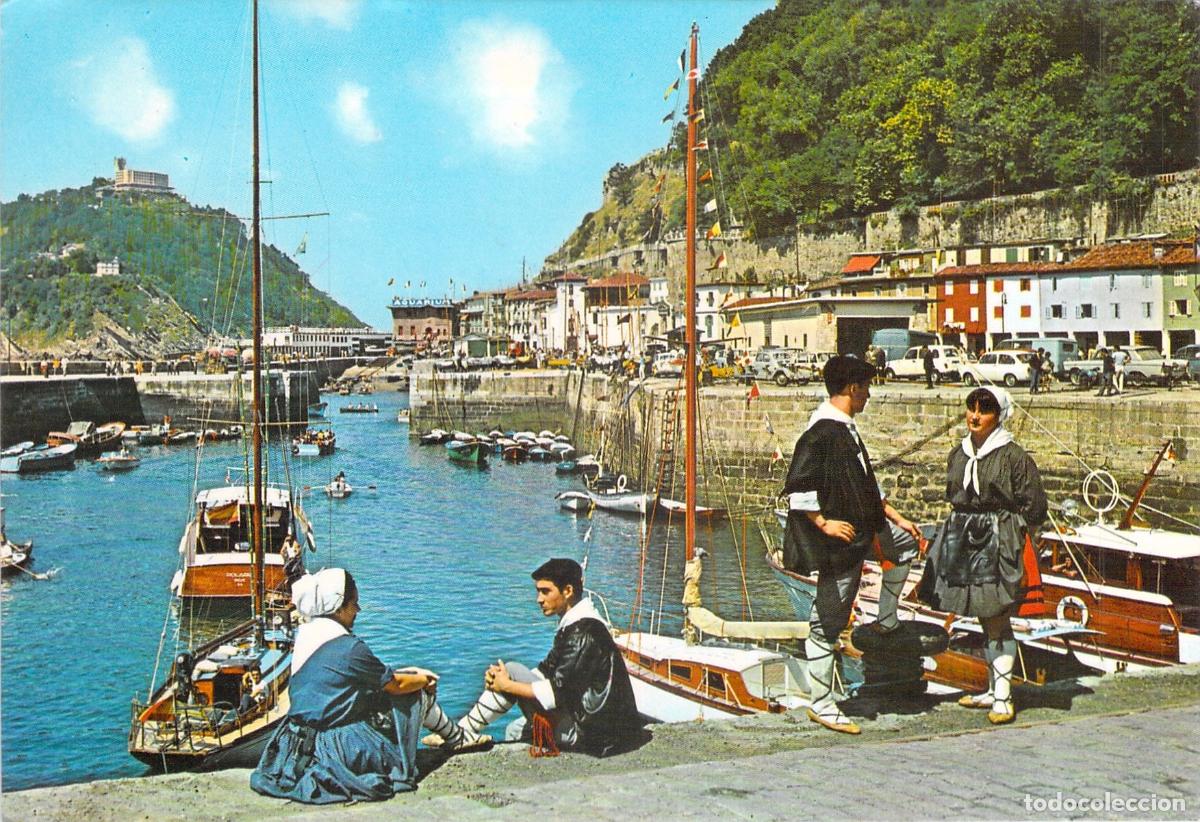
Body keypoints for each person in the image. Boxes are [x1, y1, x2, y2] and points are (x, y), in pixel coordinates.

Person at [251, 568, 489, 805]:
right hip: (333, 746)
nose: (358, 610)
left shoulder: (306, 635)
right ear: (338, 607)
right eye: (354, 603)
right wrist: (425, 679)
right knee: (414, 694)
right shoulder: (350, 648)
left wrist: (412, 675)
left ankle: (454, 736)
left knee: (395, 686)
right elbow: (395, 684)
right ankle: (456, 738)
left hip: (293, 743)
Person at [780, 355, 922, 735]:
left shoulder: (843, 428)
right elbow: (798, 490)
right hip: (841, 543)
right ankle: (823, 704)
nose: (870, 395)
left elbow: (865, 484)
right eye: (867, 387)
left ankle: (886, 619)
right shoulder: (822, 432)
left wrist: (895, 517)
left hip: (866, 529)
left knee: (906, 546)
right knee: (827, 622)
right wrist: (824, 523)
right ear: (852, 388)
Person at [924, 387, 1047, 726]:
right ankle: (993, 690)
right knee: (983, 615)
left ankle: (1004, 697)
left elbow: (1034, 507)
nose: (975, 416)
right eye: (971, 408)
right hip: (966, 538)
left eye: (984, 410)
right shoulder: (959, 453)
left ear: (999, 415)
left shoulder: (1012, 456)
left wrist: (1013, 536)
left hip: (998, 539)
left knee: (996, 616)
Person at [445, 558, 644, 756]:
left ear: (567, 591)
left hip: (596, 735)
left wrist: (506, 685)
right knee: (515, 729)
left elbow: (555, 694)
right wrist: (502, 678)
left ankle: (460, 733)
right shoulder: (576, 624)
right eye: (538, 591)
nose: (539, 599)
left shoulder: (583, 632)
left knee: (513, 670)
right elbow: (546, 670)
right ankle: (463, 731)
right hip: (593, 724)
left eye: (545, 591)